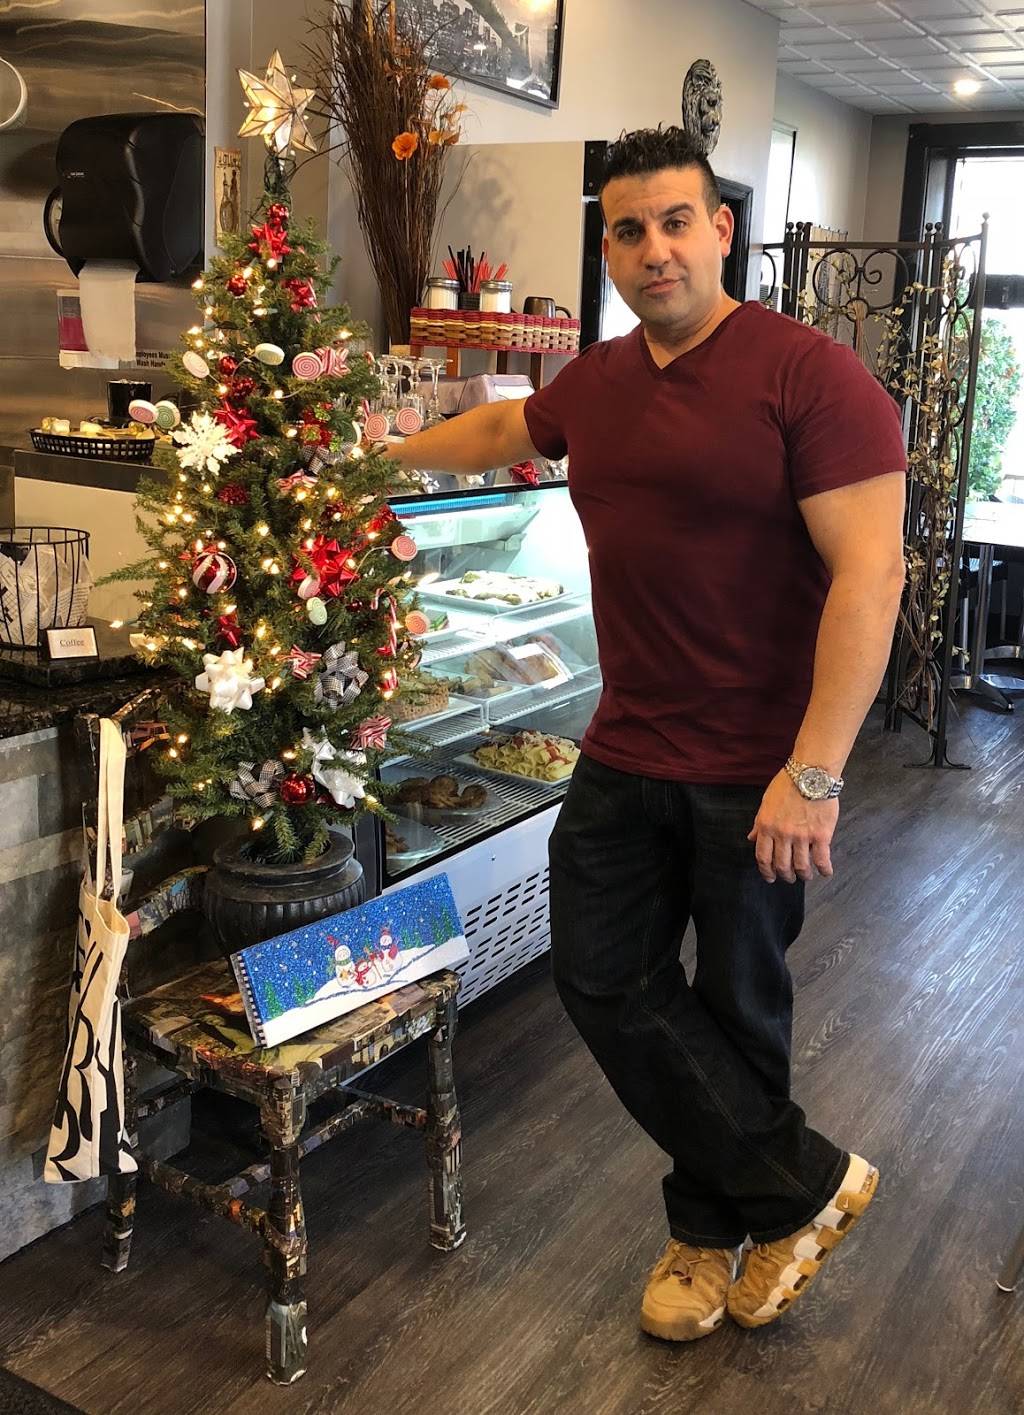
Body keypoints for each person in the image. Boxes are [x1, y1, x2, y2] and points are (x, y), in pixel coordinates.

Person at [394, 125, 907, 1343]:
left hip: (756, 769)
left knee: (736, 1005)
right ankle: (798, 1187)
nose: (652, 249)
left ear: (719, 229)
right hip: (621, 746)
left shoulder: (811, 376)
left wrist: (814, 773)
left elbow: (871, 576)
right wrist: (381, 460)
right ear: (610, 249)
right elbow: (504, 432)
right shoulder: (599, 379)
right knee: (600, 977)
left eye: (676, 221)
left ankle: (706, 1234)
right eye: (627, 230)